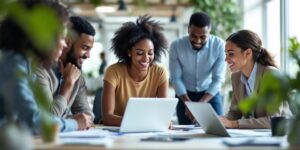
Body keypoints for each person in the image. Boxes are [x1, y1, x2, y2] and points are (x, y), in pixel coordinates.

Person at [0, 0, 91, 134]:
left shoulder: (22, 63)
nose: (64, 45)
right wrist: (74, 123)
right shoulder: (12, 65)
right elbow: (34, 122)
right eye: (61, 37)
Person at [102, 15, 169, 126]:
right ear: (129, 52)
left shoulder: (160, 73)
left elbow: (164, 116)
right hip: (116, 130)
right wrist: (141, 122)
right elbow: (107, 117)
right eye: (139, 53)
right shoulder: (113, 72)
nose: (146, 58)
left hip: (146, 130)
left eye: (150, 53)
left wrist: (163, 121)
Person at [219, 29, 292, 128]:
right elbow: (235, 113)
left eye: (231, 54)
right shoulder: (236, 77)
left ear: (248, 53)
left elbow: (273, 119)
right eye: (226, 54)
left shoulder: (271, 74)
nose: (226, 59)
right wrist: (219, 120)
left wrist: (234, 124)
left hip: (279, 134)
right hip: (255, 134)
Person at [169, 12, 226, 125]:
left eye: (203, 37)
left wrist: (201, 103)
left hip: (210, 92)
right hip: (184, 94)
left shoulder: (219, 46)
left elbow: (218, 79)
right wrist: (188, 103)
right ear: (188, 30)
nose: (198, 41)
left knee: (218, 129)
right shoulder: (176, 46)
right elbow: (176, 78)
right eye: (193, 36)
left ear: (209, 32)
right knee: (185, 134)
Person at [35, 16, 95, 121]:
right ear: (67, 43)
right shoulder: (40, 69)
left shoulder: (76, 73)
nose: (88, 55)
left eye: (90, 49)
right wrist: (68, 84)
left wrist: (71, 121)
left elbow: (87, 115)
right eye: (85, 48)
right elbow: (49, 118)